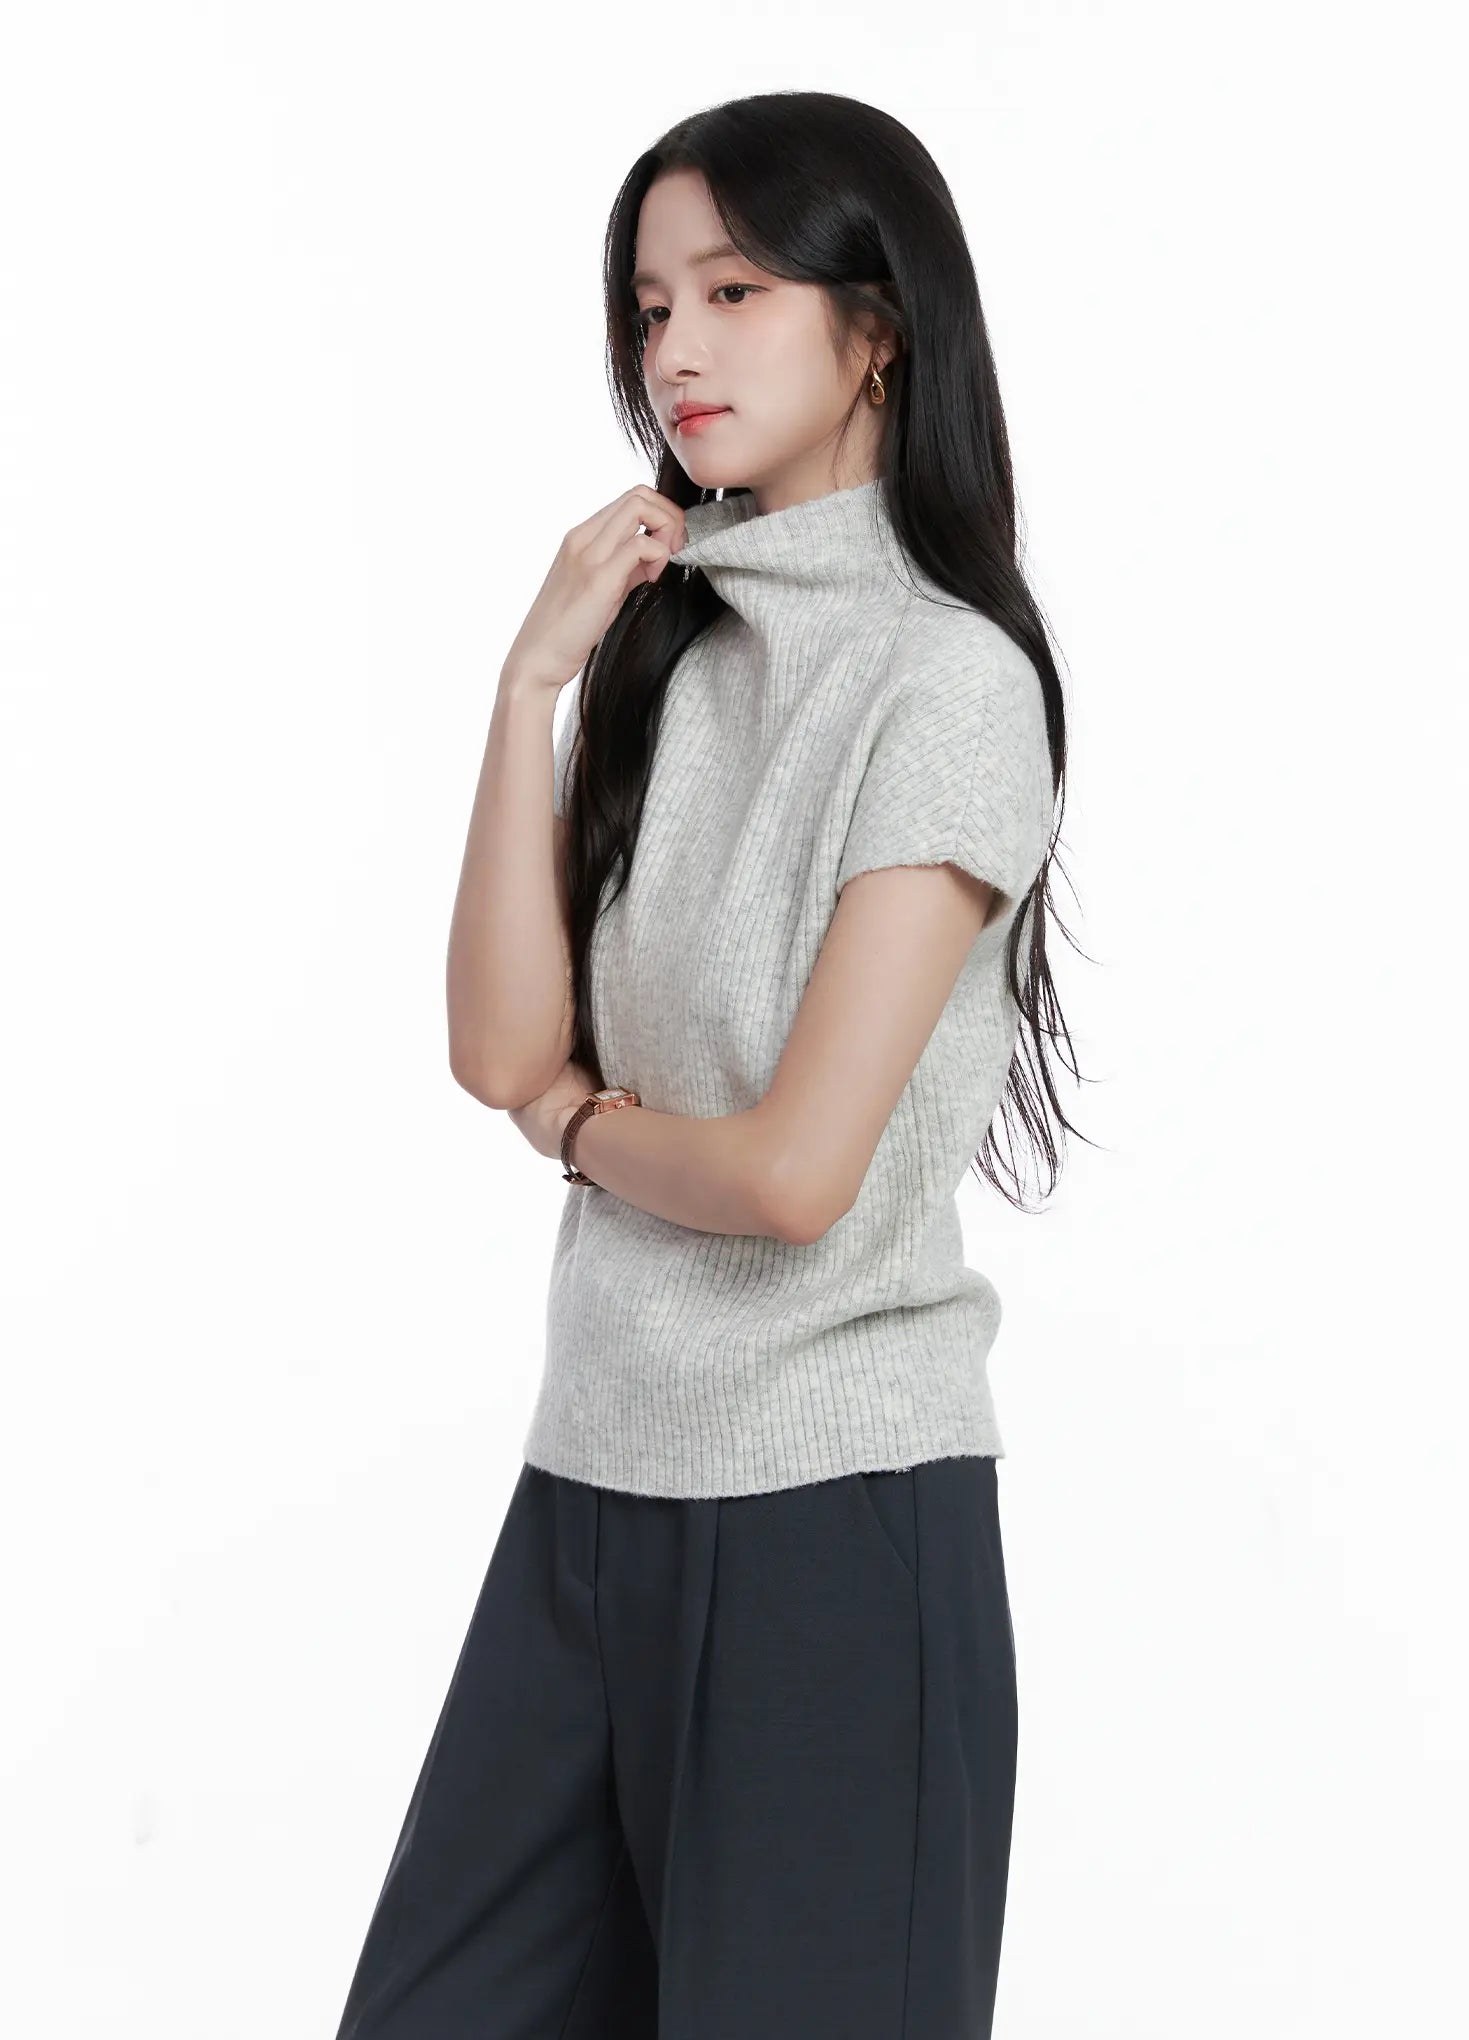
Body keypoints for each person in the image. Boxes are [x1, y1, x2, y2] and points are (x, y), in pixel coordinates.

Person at [333, 88, 1084, 2040]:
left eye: (734, 291)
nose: (676, 348)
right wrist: (530, 679)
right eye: (654, 305)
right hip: (588, 1497)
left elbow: (789, 1175)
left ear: (879, 328)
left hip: (835, 1525)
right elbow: (494, 1047)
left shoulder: (949, 686)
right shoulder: (667, 647)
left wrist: (579, 1127)